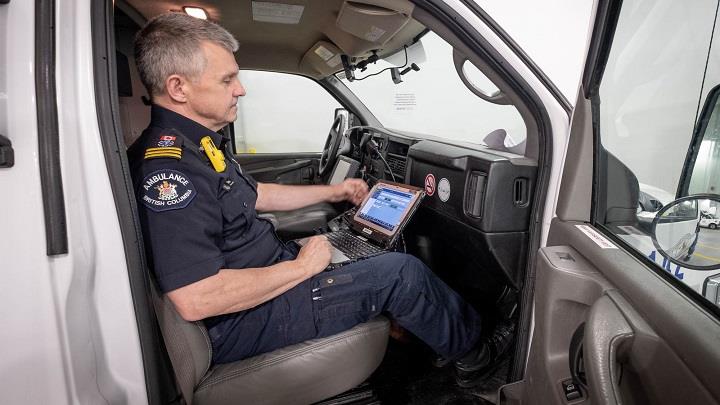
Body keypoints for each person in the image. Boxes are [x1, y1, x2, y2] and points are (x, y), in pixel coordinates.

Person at [128, 12, 512, 387]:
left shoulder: (198, 145)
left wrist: (336, 191)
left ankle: (432, 333)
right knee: (401, 272)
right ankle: (478, 358)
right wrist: (303, 267)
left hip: (259, 283)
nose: (240, 89)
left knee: (364, 252)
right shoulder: (171, 170)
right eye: (227, 79)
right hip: (239, 321)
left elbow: (255, 194)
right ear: (179, 88)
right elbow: (197, 298)